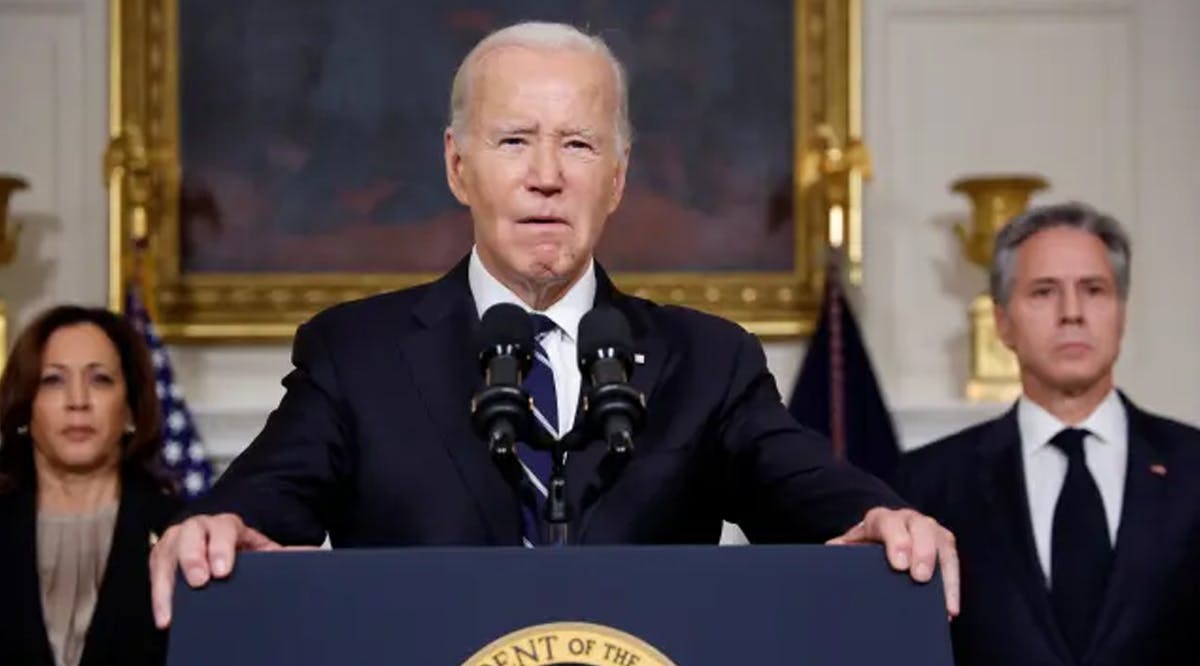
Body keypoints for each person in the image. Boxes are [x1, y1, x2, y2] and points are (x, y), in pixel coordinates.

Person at [149, 21, 959, 628]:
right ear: (458, 166)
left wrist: (880, 517)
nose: (545, 177)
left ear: (617, 177)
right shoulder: (357, 354)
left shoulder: (708, 361)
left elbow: (815, 493)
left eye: (577, 143)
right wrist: (217, 529)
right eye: (513, 141)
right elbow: (259, 502)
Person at [891, 202, 1200, 666]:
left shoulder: (1194, 467)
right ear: (1002, 323)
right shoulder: (927, 484)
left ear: (1122, 312)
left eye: (1094, 290)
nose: (1072, 312)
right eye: (1043, 292)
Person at [0, 305, 182, 665]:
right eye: (53, 380)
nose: (78, 401)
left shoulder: (178, 532)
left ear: (130, 409)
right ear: (25, 408)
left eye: (100, 379)